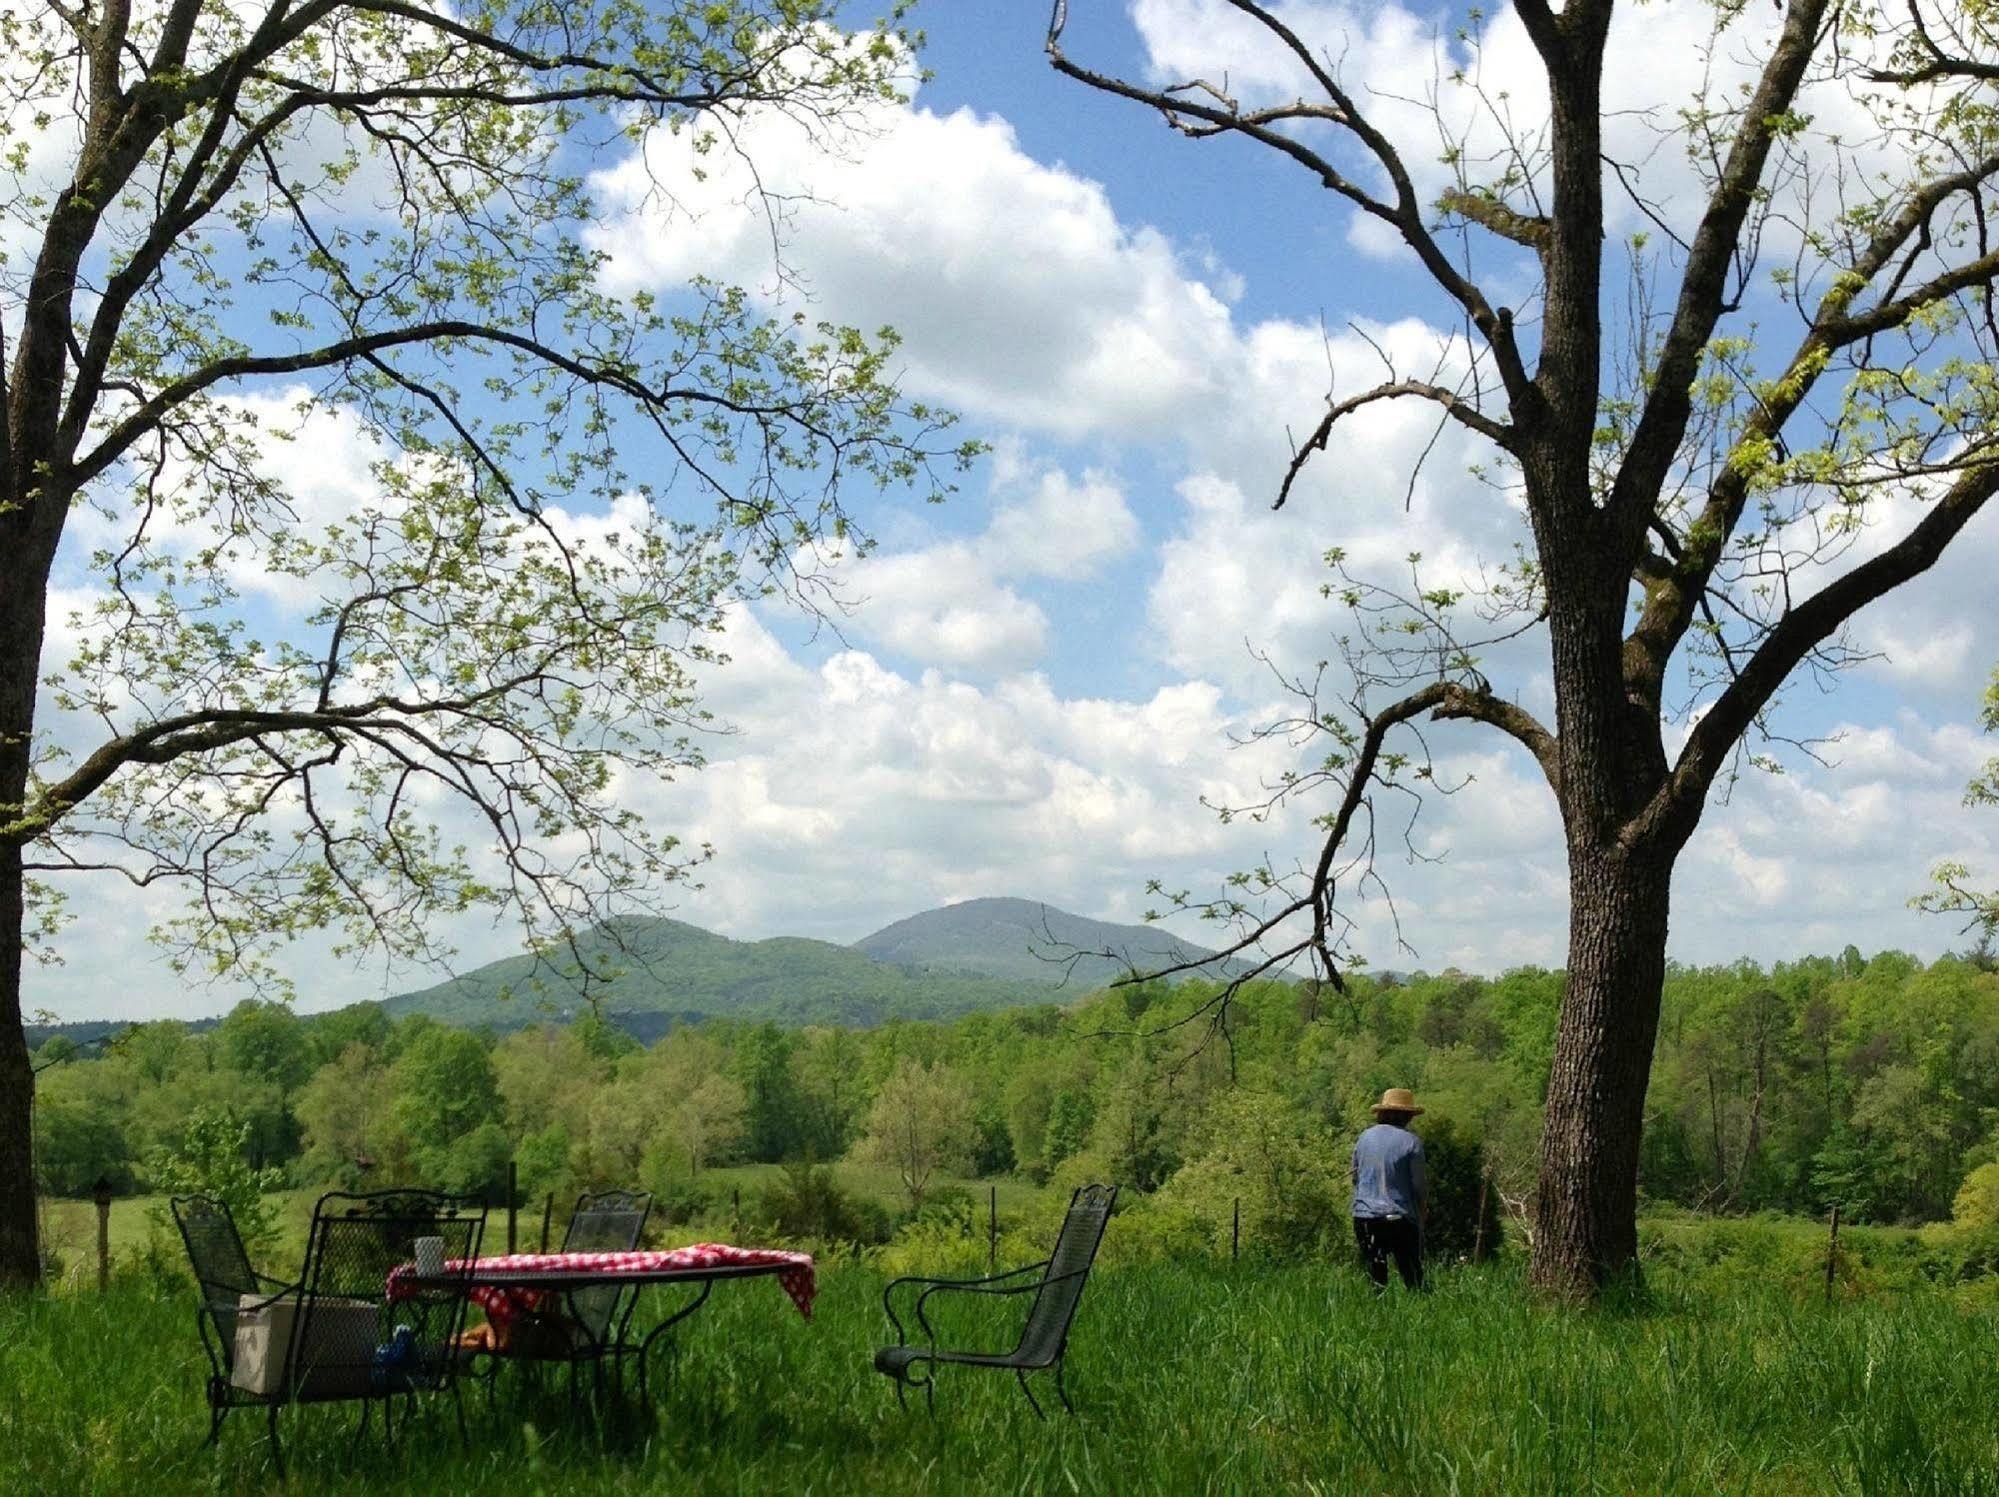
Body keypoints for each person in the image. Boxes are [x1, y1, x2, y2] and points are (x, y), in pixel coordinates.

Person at [1351, 1087, 1429, 1291]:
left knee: (1376, 1274)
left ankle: (1376, 1313)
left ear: (1381, 1113)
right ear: (1408, 1116)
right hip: (1399, 1217)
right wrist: (1422, 1213)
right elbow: (1418, 1185)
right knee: (1412, 1275)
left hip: (1364, 1215)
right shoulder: (1412, 1142)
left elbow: (1356, 1177)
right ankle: (1420, 1310)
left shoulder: (1364, 1137)